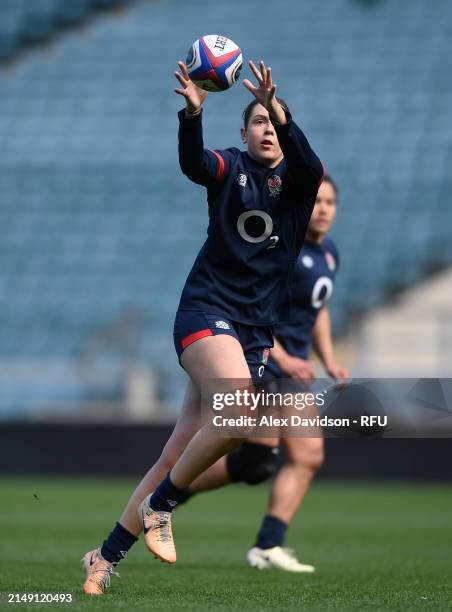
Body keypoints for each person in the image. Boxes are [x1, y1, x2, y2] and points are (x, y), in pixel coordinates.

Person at [82, 58, 323, 595]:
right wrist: (191, 116)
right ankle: (161, 506)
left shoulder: (302, 181)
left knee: (178, 452)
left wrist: (282, 112)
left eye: (273, 120)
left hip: (254, 331)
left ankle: (104, 556)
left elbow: (310, 159)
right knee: (238, 420)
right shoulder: (230, 168)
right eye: (257, 121)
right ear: (242, 133)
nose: (266, 129)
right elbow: (195, 165)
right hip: (206, 311)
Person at [181, 176, 350, 573]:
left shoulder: (329, 255)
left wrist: (327, 359)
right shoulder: (281, 251)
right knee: (301, 455)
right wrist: (286, 355)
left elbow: (318, 308)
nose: (323, 209)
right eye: (317, 201)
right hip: (266, 358)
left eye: (331, 202)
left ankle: (173, 491)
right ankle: (173, 494)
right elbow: (252, 307)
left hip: (293, 367)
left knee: (258, 462)